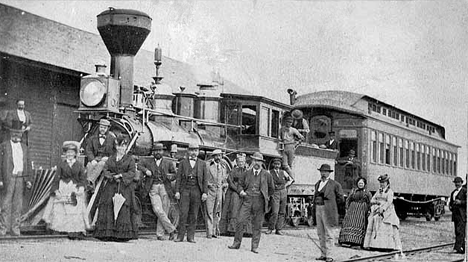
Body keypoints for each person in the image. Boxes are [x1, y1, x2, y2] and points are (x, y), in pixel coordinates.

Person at [93, 134, 138, 241]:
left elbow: (132, 172)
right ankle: (107, 233)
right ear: (116, 146)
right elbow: (105, 169)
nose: (120, 148)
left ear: (126, 147)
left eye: (123, 146)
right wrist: (112, 176)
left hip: (124, 187)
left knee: (123, 208)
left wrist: (122, 176)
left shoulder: (130, 159)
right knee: (108, 207)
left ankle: (121, 235)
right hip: (111, 186)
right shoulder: (111, 158)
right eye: (118, 146)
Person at [228, 152, 274, 254]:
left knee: (257, 225)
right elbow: (240, 184)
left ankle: (254, 246)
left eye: (259, 161)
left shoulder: (266, 175)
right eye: (255, 160)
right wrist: (241, 191)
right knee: (240, 221)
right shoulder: (246, 173)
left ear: (262, 163)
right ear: (252, 161)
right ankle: (236, 243)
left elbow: (271, 189)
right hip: (247, 200)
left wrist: (265, 197)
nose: (256, 163)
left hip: (259, 201)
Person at [42, 141, 89, 239]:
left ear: (75, 154)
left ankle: (74, 230)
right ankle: (59, 228)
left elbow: (83, 178)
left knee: (74, 208)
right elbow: (56, 179)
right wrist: (56, 191)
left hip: (74, 189)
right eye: (68, 152)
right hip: (63, 187)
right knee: (61, 208)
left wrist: (81, 187)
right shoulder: (61, 165)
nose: (70, 155)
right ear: (65, 154)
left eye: (72, 152)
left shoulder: (79, 165)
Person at [138, 143, 177, 241]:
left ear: (163, 152)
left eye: (160, 150)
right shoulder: (148, 161)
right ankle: (172, 230)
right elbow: (139, 165)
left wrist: (170, 177)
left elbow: (175, 174)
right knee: (157, 209)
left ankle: (160, 234)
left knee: (164, 210)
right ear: (153, 152)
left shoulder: (168, 162)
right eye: (156, 151)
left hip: (165, 187)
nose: (158, 152)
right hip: (153, 188)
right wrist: (146, 170)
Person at [174, 143, 208, 243]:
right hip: (185, 190)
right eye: (192, 150)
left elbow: (205, 180)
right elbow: (178, 178)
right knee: (183, 213)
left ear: (198, 152)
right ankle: (180, 236)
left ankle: (191, 236)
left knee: (194, 214)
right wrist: (177, 191)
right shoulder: (183, 163)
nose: (193, 153)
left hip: (197, 190)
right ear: (188, 151)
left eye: (195, 151)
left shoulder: (202, 163)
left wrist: (205, 192)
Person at [0, 129, 32, 236]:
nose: (16, 135)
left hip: (20, 179)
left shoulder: (24, 147)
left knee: (18, 205)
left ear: (22, 134)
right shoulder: (4, 146)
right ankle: (3, 229)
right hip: (8, 178)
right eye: (14, 133)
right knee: (6, 204)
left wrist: (28, 180)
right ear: (10, 133)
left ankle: (15, 229)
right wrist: (0, 179)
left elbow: (27, 164)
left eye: (18, 133)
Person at [313, 163, 344, 262]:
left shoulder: (335, 184)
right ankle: (323, 254)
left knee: (329, 233)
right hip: (318, 208)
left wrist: (333, 207)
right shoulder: (317, 184)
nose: (324, 173)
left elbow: (341, 198)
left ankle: (330, 255)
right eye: (322, 171)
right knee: (320, 233)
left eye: (326, 172)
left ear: (329, 173)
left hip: (329, 210)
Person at [363, 174, 402, 252]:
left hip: (387, 210)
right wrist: (377, 202)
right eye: (381, 183)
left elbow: (389, 202)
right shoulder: (378, 191)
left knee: (387, 225)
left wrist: (383, 208)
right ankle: (374, 245)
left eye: (383, 182)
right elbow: (372, 200)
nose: (382, 184)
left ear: (387, 183)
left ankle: (388, 246)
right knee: (373, 222)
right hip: (377, 209)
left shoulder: (390, 192)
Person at [219, 153, 252, 235]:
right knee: (234, 209)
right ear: (236, 162)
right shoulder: (233, 171)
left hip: (243, 192)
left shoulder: (247, 172)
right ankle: (232, 230)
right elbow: (230, 182)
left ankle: (245, 230)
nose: (241, 163)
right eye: (239, 162)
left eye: (242, 162)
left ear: (245, 162)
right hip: (233, 191)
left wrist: (245, 191)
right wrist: (238, 191)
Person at [338, 177, 372, 248]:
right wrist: (347, 208)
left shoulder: (367, 192)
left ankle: (357, 243)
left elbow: (370, 202)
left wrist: (369, 210)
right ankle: (346, 240)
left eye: (362, 183)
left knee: (360, 224)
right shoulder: (353, 190)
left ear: (364, 184)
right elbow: (348, 199)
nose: (360, 185)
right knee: (349, 223)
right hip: (352, 210)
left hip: (362, 211)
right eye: (359, 183)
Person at [204, 149, 228, 239]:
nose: (218, 158)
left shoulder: (223, 167)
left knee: (217, 212)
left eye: (220, 156)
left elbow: (224, 179)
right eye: (216, 156)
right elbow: (204, 178)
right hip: (210, 191)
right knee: (209, 211)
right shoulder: (208, 165)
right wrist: (208, 185)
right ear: (213, 157)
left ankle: (215, 231)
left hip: (219, 192)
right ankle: (209, 232)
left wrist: (225, 184)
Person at [266, 157, 293, 235]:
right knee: (274, 211)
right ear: (273, 164)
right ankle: (270, 228)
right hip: (275, 193)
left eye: (278, 164)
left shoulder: (283, 172)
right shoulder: (269, 172)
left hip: (283, 192)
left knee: (282, 212)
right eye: (275, 164)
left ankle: (279, 229)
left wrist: (285, 186)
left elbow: (291, 180)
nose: (277, 165)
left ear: (280, 165)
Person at [85, 119, 116, 185]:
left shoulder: (112, 139)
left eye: (105, 128)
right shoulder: (92, 138)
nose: (103, 129)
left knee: (101, 164)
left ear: (108, 128)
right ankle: (91, 187)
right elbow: (88, 150)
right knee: (89, 165)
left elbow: (115, 152)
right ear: (99, 127)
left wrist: (109, 158)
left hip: (106, 161)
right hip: (95, 158)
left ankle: (89, 181)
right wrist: (92, 159)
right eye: (101, 127)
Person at [279, 113, 304, 179]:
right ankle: (292, 178)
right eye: (288, 122)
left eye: (290, 122)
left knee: (290, 165)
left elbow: (302, 137)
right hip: (284, 147)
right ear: (285, 122)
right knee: (284, 165)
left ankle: (291, 179)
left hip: (291, 147)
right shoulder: (282, 129)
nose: (289, 123)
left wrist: (296, 143)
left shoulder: (293, 130)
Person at [449, 176, 466, 254]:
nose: (457, 184)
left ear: (461, 183)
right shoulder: (453, 192)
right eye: (455, 183)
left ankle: (458, 248)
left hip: (462, 215)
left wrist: (461, 202)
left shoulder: (465, 191)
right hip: (455, 214)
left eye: (458, 182)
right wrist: (451, 206)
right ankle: (461, 248)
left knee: (460, 231)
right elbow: (451, 202)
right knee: (457, 231)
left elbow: (467, 202)